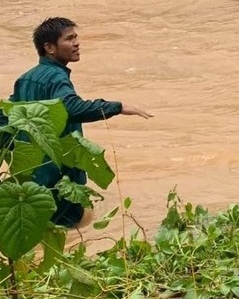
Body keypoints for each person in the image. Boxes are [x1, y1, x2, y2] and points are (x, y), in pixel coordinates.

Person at [5, 18, 152, 227]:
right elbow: (71, 107)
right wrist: (117, 107)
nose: (77, 43)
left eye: (76, 37)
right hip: (59, 178)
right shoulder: (57, 78)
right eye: (69, 38)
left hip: (29, 179)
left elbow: (7, 116)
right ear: (49, 48)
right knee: (74, 228)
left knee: (39, 235)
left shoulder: (26, 78)